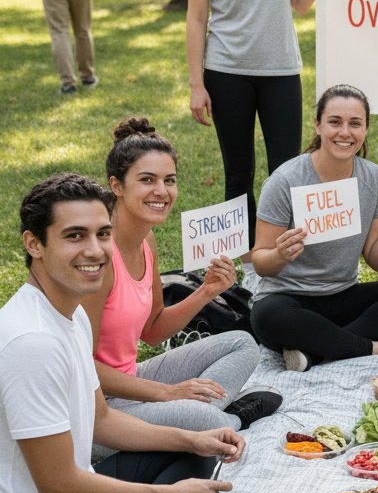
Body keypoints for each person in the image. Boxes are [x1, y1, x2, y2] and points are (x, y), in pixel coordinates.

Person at [0, 173, 263, 493]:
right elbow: (60, 488)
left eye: (102, 233)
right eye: (73, 236)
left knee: (191, 450)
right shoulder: (32, 342)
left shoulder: (68, 313)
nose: (94, 250)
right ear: (34, 244)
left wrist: (190, 438)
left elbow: (102, 419)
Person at [185, 0, 334, 277]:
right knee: (239, 172)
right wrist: (197, 84)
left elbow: (301, 3)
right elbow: (196, 19)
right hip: (226, 69)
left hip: (280, 70)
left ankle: (283, 255)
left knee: (286, 171)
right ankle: (249, 265)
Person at [83, 117, 280, 445]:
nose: (161, 191)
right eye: (147, 180)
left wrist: (206, 291)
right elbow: (82, 369)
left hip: (132, 382)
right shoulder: (99, 259)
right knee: (198, 417)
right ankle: (231, 418)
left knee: (242, 343)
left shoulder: (147, 241)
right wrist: (166, 393)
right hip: (98, 410)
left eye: (169, 180)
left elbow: (153, 329)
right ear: (116, 185)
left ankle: (196, 414)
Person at [249, 84, 378, 371]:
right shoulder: (285, 180)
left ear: (365, 129)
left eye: (355, 123)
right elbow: (261, 263)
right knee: (267, 316)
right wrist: (280, 254)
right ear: (317, 125)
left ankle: (319, 351)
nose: (345, 132)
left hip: (343, 296)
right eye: (334, 122)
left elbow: (376, 261)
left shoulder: (373, 177)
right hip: (290, 299)